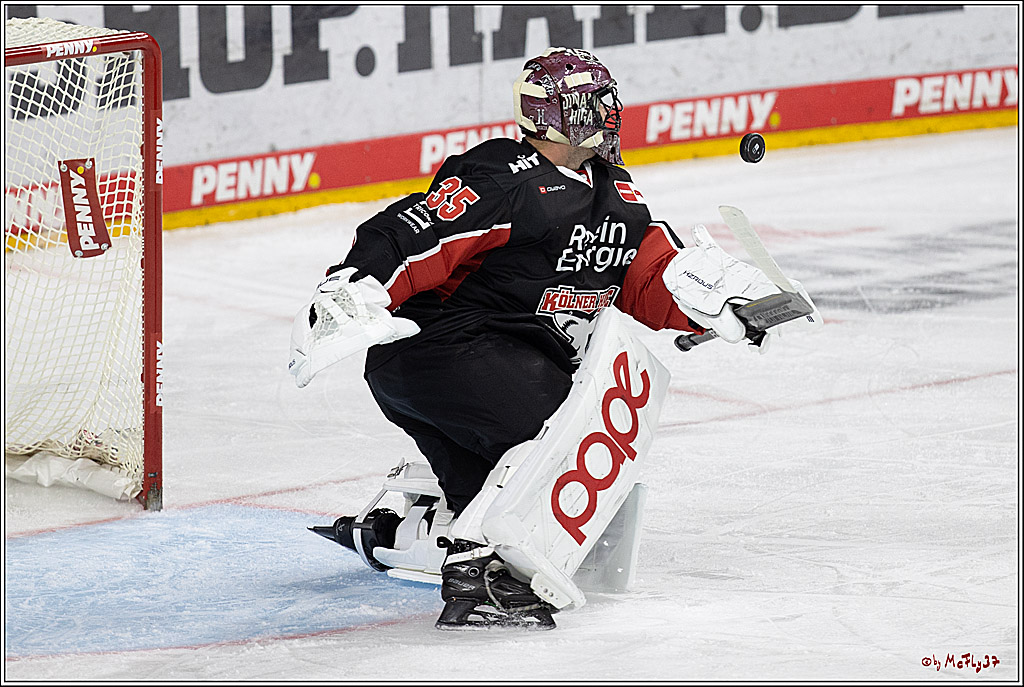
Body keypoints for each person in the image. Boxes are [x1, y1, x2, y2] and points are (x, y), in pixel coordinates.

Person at [290, 47, 803, 630]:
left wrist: (714, 305)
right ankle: (476, 563)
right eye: (594, 103)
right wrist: (357, 284)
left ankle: (420, 540)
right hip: (441, 348)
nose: (607, 115)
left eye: (608, 102)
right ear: (557, 114)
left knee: (524, 496)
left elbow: (648, 275)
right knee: (570, 426)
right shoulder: (505, 176)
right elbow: (415, 232)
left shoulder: (617, 192)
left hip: (492, 357)